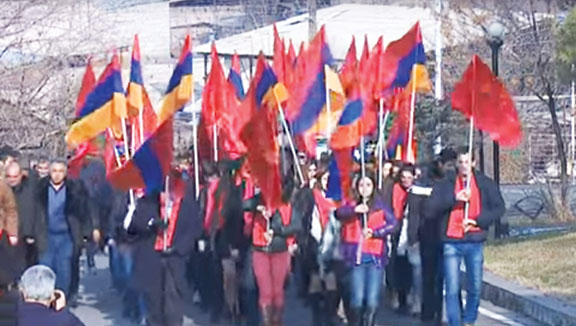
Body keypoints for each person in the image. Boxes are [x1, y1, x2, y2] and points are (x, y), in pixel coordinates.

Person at [426, 148, 505, 326]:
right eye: (460, 162)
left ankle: (469, 319)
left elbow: (499, 208)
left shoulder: (485, 183)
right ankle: (455, 322)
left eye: (467, 162)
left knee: (475, 286)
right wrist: (454, 198)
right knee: (452, 287)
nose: (463, 166)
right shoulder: (446, 183)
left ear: (474, 163)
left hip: (474, 240)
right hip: (451, 241)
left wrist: (478, 221)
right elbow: (430, 209)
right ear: (456, 164)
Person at [129, 170, 202, 326]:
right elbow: (135, 224)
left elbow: (194, 230)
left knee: (173, 305)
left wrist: (179, 248)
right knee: (154, 304)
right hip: (152, 258)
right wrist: (151, 223)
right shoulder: (148, 201)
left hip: (175, 259)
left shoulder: (187, 203)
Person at [336, 173, 396, 326]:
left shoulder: (380, 205)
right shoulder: (351, 203)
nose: (365, 189)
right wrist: (355, 210)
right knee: (357, 297)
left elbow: (393, 224)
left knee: (372, 299)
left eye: (368, 185)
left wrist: (376, 232)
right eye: (362, 185)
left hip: (375, 256)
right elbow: (339, 213)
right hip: (356, 256)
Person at [244, 184, 301, 326]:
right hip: (260, 249)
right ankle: (266, 322)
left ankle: (277, 322)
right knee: (265, 291)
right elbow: (244, 204)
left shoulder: (286, 204)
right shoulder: (258, 201)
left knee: (277, 291)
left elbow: (296, 225)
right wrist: (257, 206)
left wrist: (276, 230)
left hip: (279, 250)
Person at [34, 160, 93, 298]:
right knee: (45, 267)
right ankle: (46, 298)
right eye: (54, 171)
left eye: (61, 171)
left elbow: (84, 210)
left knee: (64, 267)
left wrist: (86, 232)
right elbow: (33, 211)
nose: (57, 175)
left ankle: (61, 298)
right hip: (46, 234)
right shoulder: (40, 188)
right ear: (49, 171)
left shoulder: (75, 189)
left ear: (66, 173)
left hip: (67, 235)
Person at [298, 169, 339, 326]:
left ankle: (329, 314)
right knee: (315, 278)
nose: (327, 182)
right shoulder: (311, 196)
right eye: (325, 178)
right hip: (313, 241)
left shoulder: (337, 198)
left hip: (332, 243)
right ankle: (316, 315)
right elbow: (303, 216)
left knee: (331, 279)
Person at [389, 165, 430, 316]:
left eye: (409, 177)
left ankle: (417, 300)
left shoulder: (419, 192)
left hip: (414, 234)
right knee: (400, 267)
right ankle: (401, 298)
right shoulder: (395, 190)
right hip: (399, 233)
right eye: (403, 177)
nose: (406, 181)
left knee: (416, 269)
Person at [18, 265, 84, 326]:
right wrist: (62, 310)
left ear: (24, 292)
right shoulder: (64, 320)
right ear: (52, 295)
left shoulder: (13, 315)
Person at [5, 162, 38, 268]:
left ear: (21, 175)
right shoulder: (4, 191)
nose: (12, 180)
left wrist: (31, 233)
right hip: (9, 235)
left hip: (28, 236)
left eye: (15, 176)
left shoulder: (30, 187)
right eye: (9, 176)